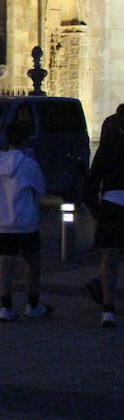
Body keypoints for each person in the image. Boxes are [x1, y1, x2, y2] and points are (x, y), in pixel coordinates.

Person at [0, 121, 50, 322]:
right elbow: (40, 188)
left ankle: (5, 306)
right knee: (32, 261)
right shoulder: (28, 164)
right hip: (25, 220)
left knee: (5, 261)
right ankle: (33, 303)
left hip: (2, 219)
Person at [84, 102, 124, 327]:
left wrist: (95, 209)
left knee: (109, 259)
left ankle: (108, 309)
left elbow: (92, 180)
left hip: (111, 203)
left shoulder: (108, 147)